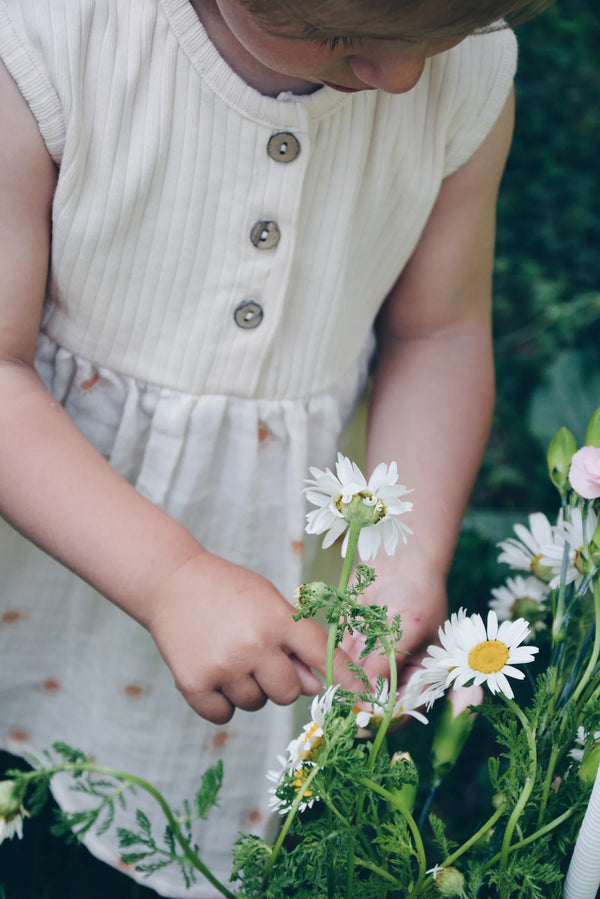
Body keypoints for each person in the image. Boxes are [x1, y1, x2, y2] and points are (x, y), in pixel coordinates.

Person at [0, 0, 551, 895]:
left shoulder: (465, 71)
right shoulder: (47, 41)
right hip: (35, 532)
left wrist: (407, 555)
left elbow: (439, 334)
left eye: (436, 39)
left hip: (258, 572)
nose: (401, 77)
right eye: (345, 39)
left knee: (161, 843)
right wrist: (172, 575)